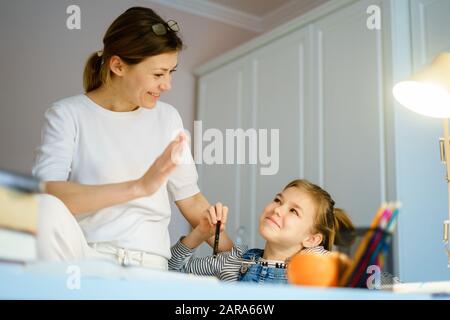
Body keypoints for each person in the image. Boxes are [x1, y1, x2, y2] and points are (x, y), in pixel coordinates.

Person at [32, 6, 232, 270]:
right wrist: (139, 187)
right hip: (84, 257)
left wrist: (237, 259)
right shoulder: (67, 114)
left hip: (149, 263)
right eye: (158, 74)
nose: (167, 85)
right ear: (118, 65)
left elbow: (191, 198)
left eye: (170, 72)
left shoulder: (168, 117)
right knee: (42, 205)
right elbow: (47, 194)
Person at [169, 179, 355, 284]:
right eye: (278, 200)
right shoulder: (233, 261)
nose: (278, 209)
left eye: (293, 211)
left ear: (312, 239)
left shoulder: (314, 265)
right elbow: (171, 270)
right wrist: (199, 233)